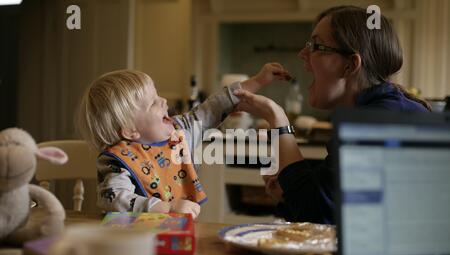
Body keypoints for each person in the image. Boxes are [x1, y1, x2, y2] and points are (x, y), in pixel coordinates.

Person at [233, 5, 431, 224]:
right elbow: (335, 214)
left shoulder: (378, 121)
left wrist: (278, 119)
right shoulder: (379, 112)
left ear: (350, 66)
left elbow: (318, 214)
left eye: (316, 46)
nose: (303, 54)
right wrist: (290, 194)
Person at [77, 64, 291, 218]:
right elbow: (112, 198)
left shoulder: (180, 132)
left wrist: (257, 81)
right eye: (153, 103)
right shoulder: (118, 160)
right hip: (132, 245)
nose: (164, 101)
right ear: (130, 130)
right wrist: (164, 207)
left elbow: (212, 107)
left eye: (158, 95)